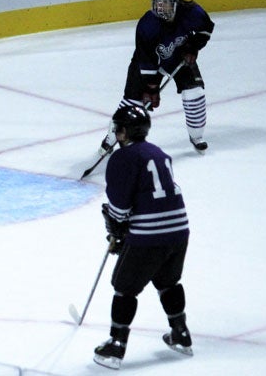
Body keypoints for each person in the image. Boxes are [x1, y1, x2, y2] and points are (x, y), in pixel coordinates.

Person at [93, 105, 193, 370]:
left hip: (150, 235)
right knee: (168, 281)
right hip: (179, 230)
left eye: (118, 128)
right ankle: (181, 334)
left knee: (125, 287)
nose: (116, 132)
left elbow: (120, 208)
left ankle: (116, 345)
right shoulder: (160, 153)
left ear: (124, 131)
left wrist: (116, 228)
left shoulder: (122, 158)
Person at [99, 0, 214, 156]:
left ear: (178, 2)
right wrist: (151, 88)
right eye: (158, 2)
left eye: (165, 2)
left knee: (195, 93)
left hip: (178, 57)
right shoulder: (147, 24)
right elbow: (145, 59)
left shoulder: (192, 12)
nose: (160, 7)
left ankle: (196, 136)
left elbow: (206, 29)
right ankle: (110, 139)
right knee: (132, 103)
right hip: (147, 64)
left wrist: (192, 47)